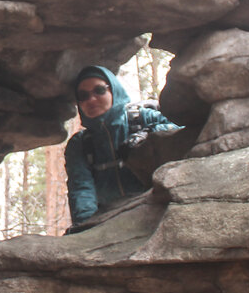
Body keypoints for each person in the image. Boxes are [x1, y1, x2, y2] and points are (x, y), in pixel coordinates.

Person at [63, 66, 180, 234]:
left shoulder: (142, 119)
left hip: (157, 213)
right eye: (83, 96)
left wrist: (146, 136)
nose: (92, 99)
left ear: (113, 90)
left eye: (99, 90)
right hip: (110, 222)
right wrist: (87, 229)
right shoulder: (80, 144)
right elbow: (81, 190)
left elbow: (182, 130)